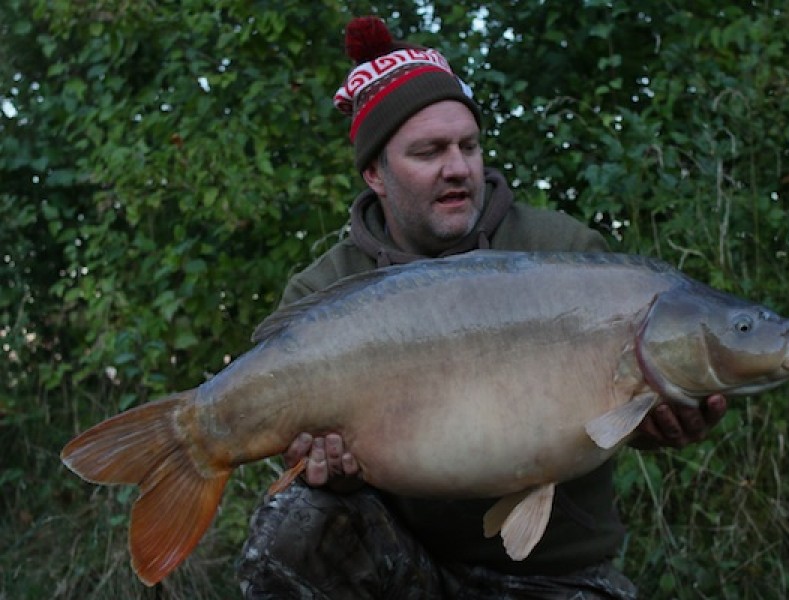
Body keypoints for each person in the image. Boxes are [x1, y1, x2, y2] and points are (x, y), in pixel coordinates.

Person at [237, 16, 726, 600]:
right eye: (429, 151)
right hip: (403, 560)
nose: (457, 167)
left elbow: (612, 411)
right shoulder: (326, 289)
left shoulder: (568, 255)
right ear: (376, 175)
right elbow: (298, 450)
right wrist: (327, 470)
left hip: (554, 569)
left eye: (468, 146)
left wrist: (659, 422)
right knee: (292, 524)